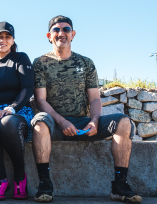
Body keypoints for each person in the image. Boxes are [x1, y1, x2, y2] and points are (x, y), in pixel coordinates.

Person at [31, 15, 142, 203]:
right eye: (56, 30)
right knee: (39, 122)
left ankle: (120, 185)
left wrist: (95, 120)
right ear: (49, 35)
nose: (61, 33)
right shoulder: (40, 63)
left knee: (123, 122)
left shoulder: (86, 63)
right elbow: (41, 101)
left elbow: (95, 99)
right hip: (54, 125)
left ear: (73, 34)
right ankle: (45, 185)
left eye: (66, 29)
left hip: (82, 123)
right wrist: (62, 121)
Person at [0, 21, 35, 200]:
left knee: (7, 122)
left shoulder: (20, 58)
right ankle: (2, 180)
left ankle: (20, 176)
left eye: (7, 37)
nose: (3, 40)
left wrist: (12, 108)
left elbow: (27, 89)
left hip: (19, 111)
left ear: (12, 41)